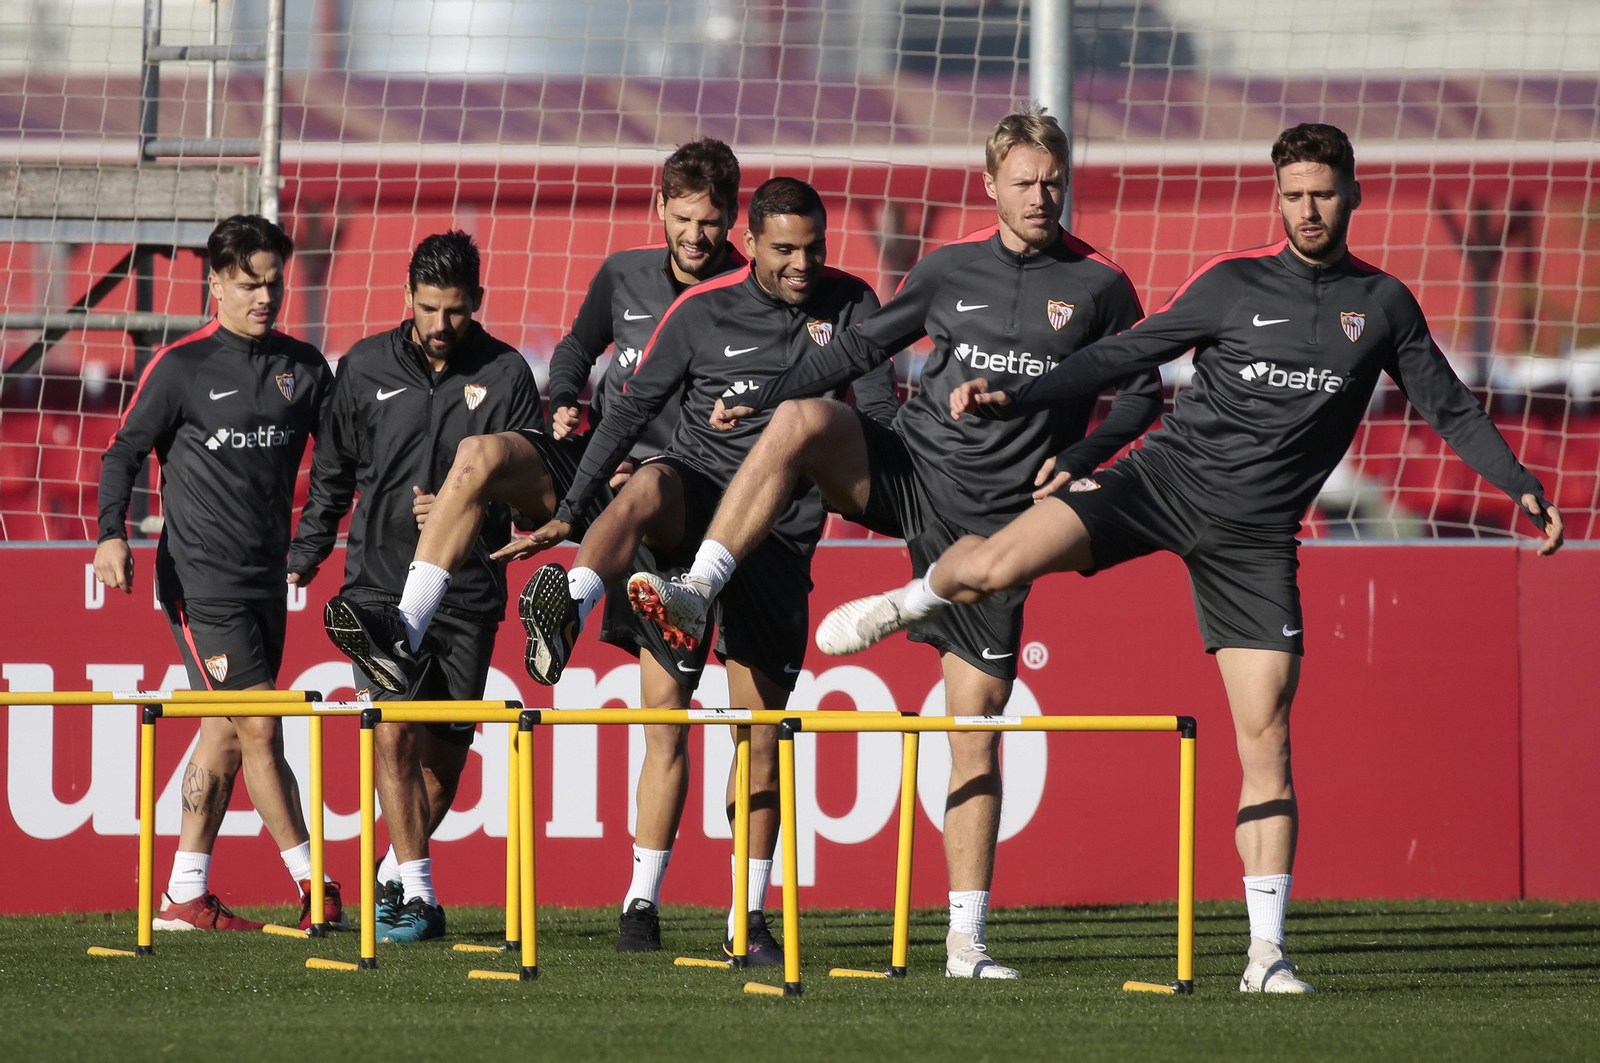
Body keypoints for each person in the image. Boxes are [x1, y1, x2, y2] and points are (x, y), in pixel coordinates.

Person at [815, 123, 1565, 993]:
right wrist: (1018, 394)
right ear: (1276, 199)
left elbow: (1448, 404)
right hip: (1162, 483)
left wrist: (1517, 482)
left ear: (1353, 195)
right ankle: (909, 601)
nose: (1308, 209)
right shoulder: (1230, 284)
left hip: (1256, 540)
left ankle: (1266, 955)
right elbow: (1120, 357)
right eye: (1293, 195)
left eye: (1322, 193)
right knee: (993, 564)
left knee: (1267, 737)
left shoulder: (1385, 305)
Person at [628, 110, 1161, 979]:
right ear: (989, 186)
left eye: (1052, 180)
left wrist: (1079, 453)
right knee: (803, 419)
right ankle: (699, 585)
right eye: (1023, 181)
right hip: (912, 467)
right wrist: (764, 396)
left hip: (997, 521)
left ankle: (964, 943)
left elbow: (1141, 396)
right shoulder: (949, 267)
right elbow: (856, 350)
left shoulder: (1102, 285)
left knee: (975, 729)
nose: (1040, 195)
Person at [317, 139, 746, 953]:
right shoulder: (622, 277)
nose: (695, 234)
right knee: (479, 459)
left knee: (668, 720)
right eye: (684, 218)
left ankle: (643, 902)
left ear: (733, 225)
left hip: (679, 509)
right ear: (660, 208)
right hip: (589, 481)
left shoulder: (743, 297)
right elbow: (576, 359)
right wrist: (562, 410)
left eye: (712, 222)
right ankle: (404, 628)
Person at [511, 176, 900, 963]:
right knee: (651, 489)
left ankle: (745, 920)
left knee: (759, 740)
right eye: (784, 249)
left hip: (777, 539)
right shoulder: (700, 309)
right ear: (748, 244)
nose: (801, 264)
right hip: (691, 516)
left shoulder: (854, 305)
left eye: (813, 248)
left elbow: (884, 422)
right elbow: (621, 412)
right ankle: (640, 901)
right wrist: (568, 510)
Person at [290, 231, 540, 942]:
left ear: (477, 305)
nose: (439, 324)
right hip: (377, 589)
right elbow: (332, 472)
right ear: (406, 298)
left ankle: (393, 879)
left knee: (442, 763)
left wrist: (472, 510)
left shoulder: (509, 374)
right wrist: (308, 550)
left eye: (455, 311)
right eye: (427, 308)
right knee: (392, 730)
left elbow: (532, 499)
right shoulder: (364, 365)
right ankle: (423, 898)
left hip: (466, 595)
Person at [94, 214, 339, 932]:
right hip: (202, 583)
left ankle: (183, 896)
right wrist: (111, 534)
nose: (265, 296)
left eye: (273, 282)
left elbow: (341, 461)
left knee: (227, 731)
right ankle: (313, 884)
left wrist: (318, 537)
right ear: (215, 286)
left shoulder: (304, 367)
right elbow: (121, 452)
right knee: (262, 721)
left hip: (267, 578)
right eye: (248, 283)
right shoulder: (182, 368)